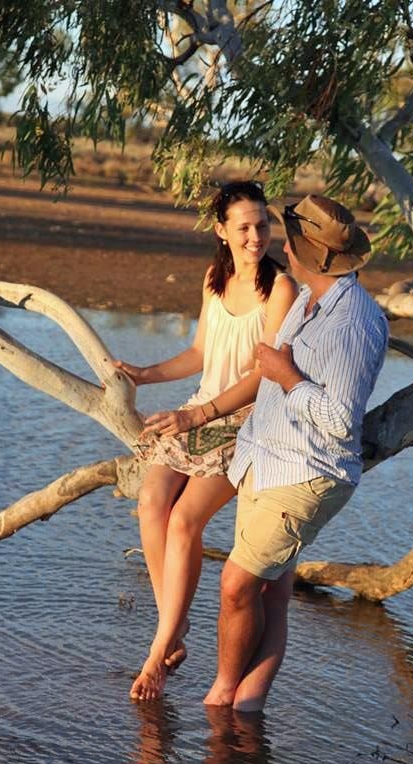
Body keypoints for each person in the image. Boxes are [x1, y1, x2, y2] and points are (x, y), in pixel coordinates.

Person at [204, 193, 389, 712]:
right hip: (267, 459)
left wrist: (286, 377)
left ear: (311, 253)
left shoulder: (352, 322)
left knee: (236, 586)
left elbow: (338, 421)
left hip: (305, 472)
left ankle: (223, 695)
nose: (281, 242)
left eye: (292, 238)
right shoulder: (310, 298)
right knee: (272, 595)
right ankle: (248, 707)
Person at [115, 181, 297, 702]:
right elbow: (200, 352)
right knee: (151, 501)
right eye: (243, 226)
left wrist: (197, 415)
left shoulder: (278, 288)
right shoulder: (214, 278)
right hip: (198, 409)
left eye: (262, 224)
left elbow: (266, 372)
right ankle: (173, 627)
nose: (254, 235)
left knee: (184, 520)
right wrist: (145, 375)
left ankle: (158, 652)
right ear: (221, 230)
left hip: (242, 422)